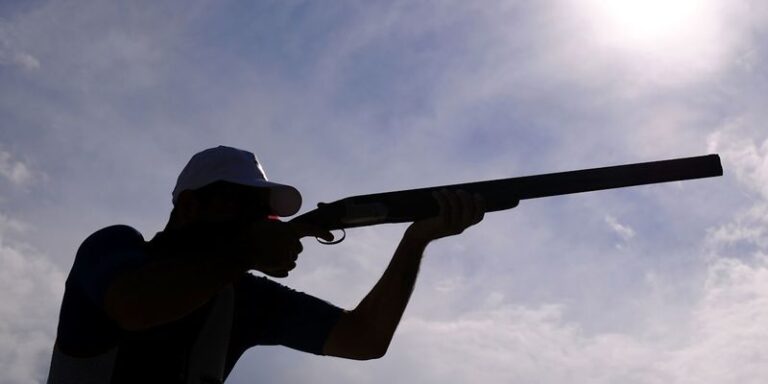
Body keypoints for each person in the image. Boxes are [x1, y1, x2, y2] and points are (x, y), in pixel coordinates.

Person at [47, 145, 489, 383]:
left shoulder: (242, 296)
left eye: (264, 214)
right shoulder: (117, 248)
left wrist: (416, 240)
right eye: (243, 205)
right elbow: (135, 307)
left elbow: (365, 338)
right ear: (190, 206)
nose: (258, 222)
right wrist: (249, 251)